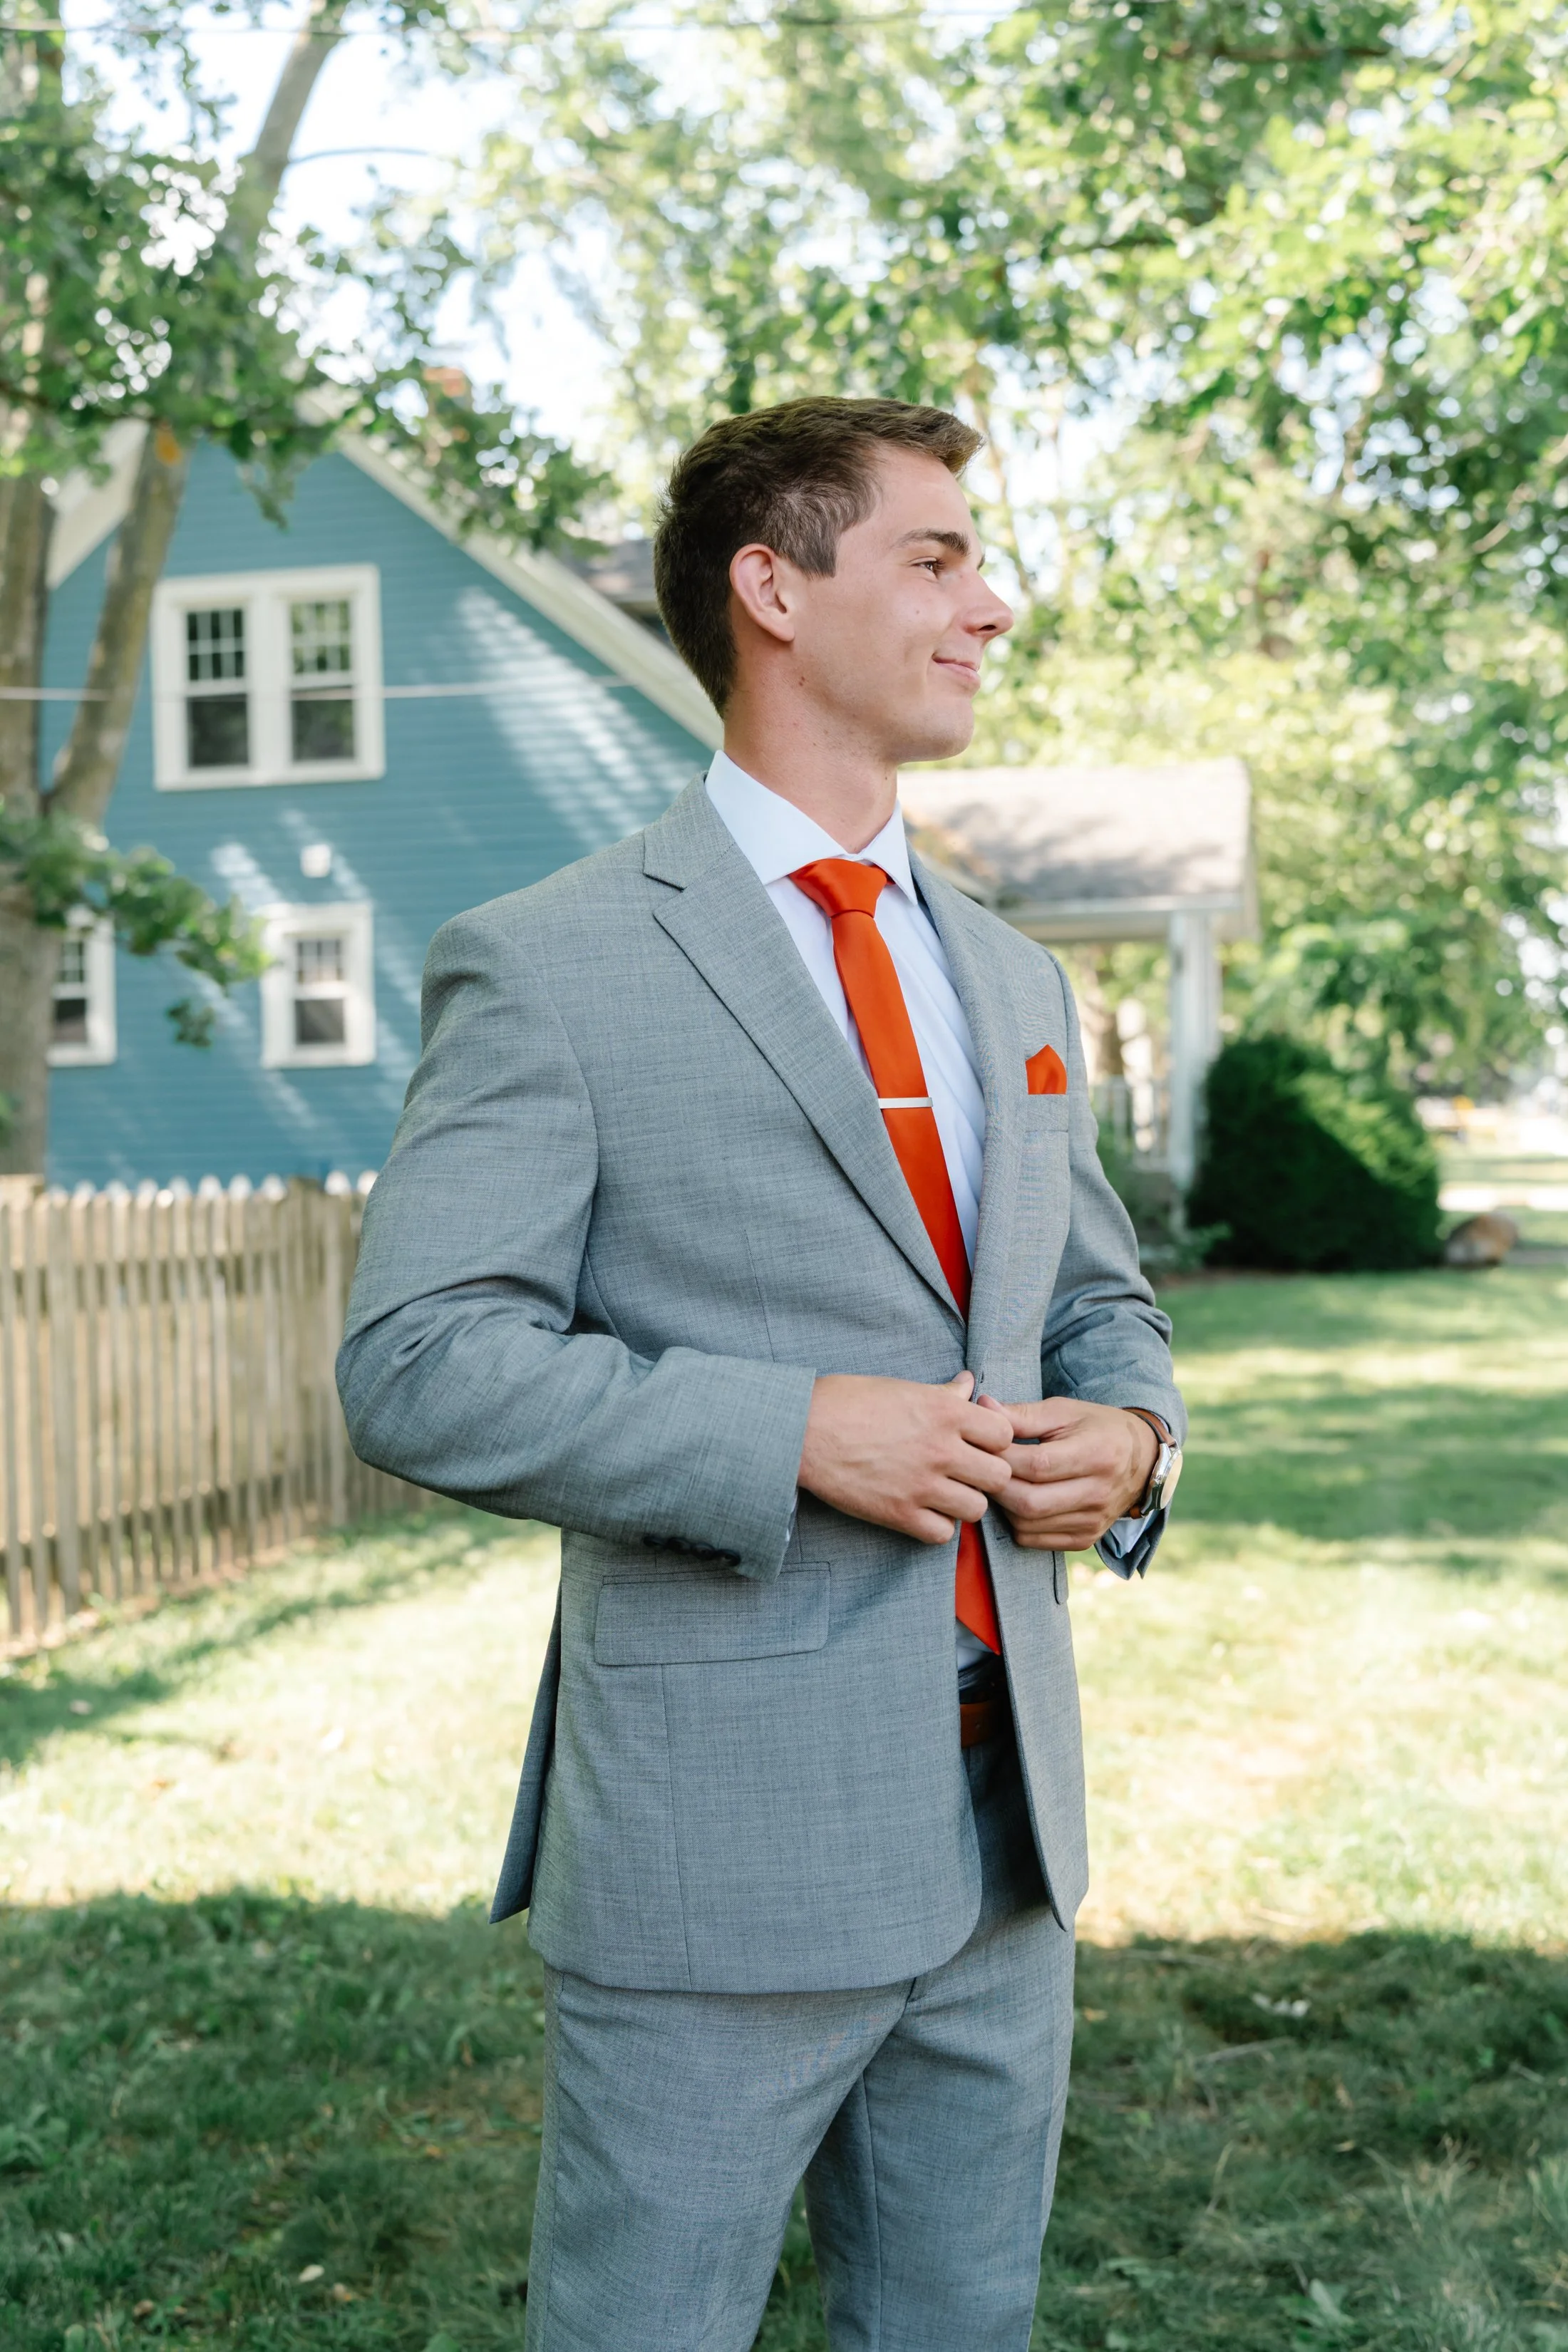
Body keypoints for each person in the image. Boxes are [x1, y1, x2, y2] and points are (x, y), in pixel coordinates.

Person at [339, 396, 1186, 2352]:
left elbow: (1098, 1298)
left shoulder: (1014, 978)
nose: (991, 604)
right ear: (774, 590)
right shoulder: (550, 963)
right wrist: (791, 1429)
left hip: (1008, 1842)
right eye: (937, 556)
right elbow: (419, 1358)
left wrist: (1136, 1437)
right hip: (716, 1854)